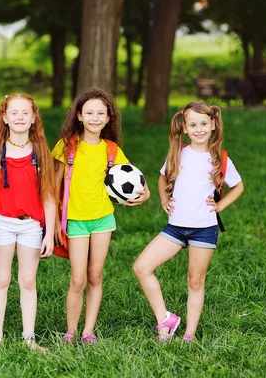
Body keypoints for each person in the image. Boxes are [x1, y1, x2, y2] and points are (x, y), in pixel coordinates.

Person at [133, 101, 244, 342]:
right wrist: (164, 198)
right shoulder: (178, 153)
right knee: (141, 267)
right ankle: (165, 319)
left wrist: (219, 206)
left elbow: (238, 186)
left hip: (204, 229)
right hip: (176, 227)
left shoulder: (220, 159)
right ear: (184, 127)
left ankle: (189, 334)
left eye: (204, 124)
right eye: (193, 125)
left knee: (195, 280)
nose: (199, 129)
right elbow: (163, 178)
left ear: (213, 124)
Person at [52, 88, 150, 344]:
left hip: (103, 219)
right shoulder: (67, 146)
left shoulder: (111, 149)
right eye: (89, 113)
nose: (95, 118)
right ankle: (71, 331)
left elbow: (134, 178)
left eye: (100, 113)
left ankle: (88, 331)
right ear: (79, 117)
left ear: (108, 118)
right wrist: (52, 219)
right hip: (75, 220)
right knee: (78, 277)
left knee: (95, 275)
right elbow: (52, 187)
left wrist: (145, 195)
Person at [0, 94, 56, 353]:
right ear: (4, 117)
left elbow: (48, 196)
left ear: (34, 117)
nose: (20, 117)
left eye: (26, 113)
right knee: (1, 279)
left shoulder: (41, 152)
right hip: (2, 222)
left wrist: (50, 233)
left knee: (28, 281)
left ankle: (28, 338)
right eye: (14, 113)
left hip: (31, 225)